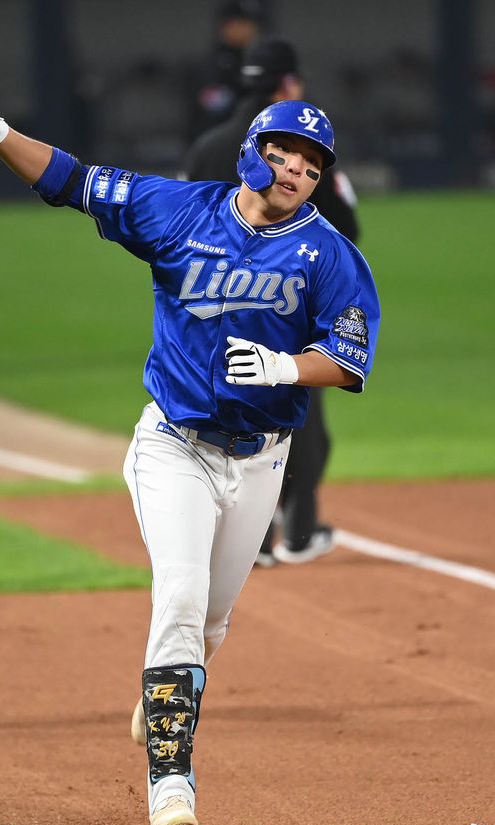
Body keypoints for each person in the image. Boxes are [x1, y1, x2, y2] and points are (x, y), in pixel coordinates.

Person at [0, 90, 380, 825]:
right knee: (181, 597)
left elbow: (349, 356)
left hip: (262, 459)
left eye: (311, 166)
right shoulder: (179, 211)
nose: (297, 173)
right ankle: (172, 779)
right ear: (254, 151)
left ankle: (165, 689)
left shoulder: (329, 254)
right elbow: (73, 181)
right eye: (285, 156)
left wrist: (286, 367)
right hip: (174, 445)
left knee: (210, 623)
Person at [184, 36, 361, 565]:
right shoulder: (301, 156)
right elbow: (345, 229)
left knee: (215, 419)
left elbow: (184, 223)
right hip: (282, 305)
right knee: (300, 423)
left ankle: (247, 540)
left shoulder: (206, 146)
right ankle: (298, 533)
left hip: (205, 307)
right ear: (287, 85)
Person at [187, 0, 263, 140]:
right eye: (243, 23)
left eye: (251, 24)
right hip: (216, 144)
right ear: (226, 26)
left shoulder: (254, 64)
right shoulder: (208, 67)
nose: (249, 29)